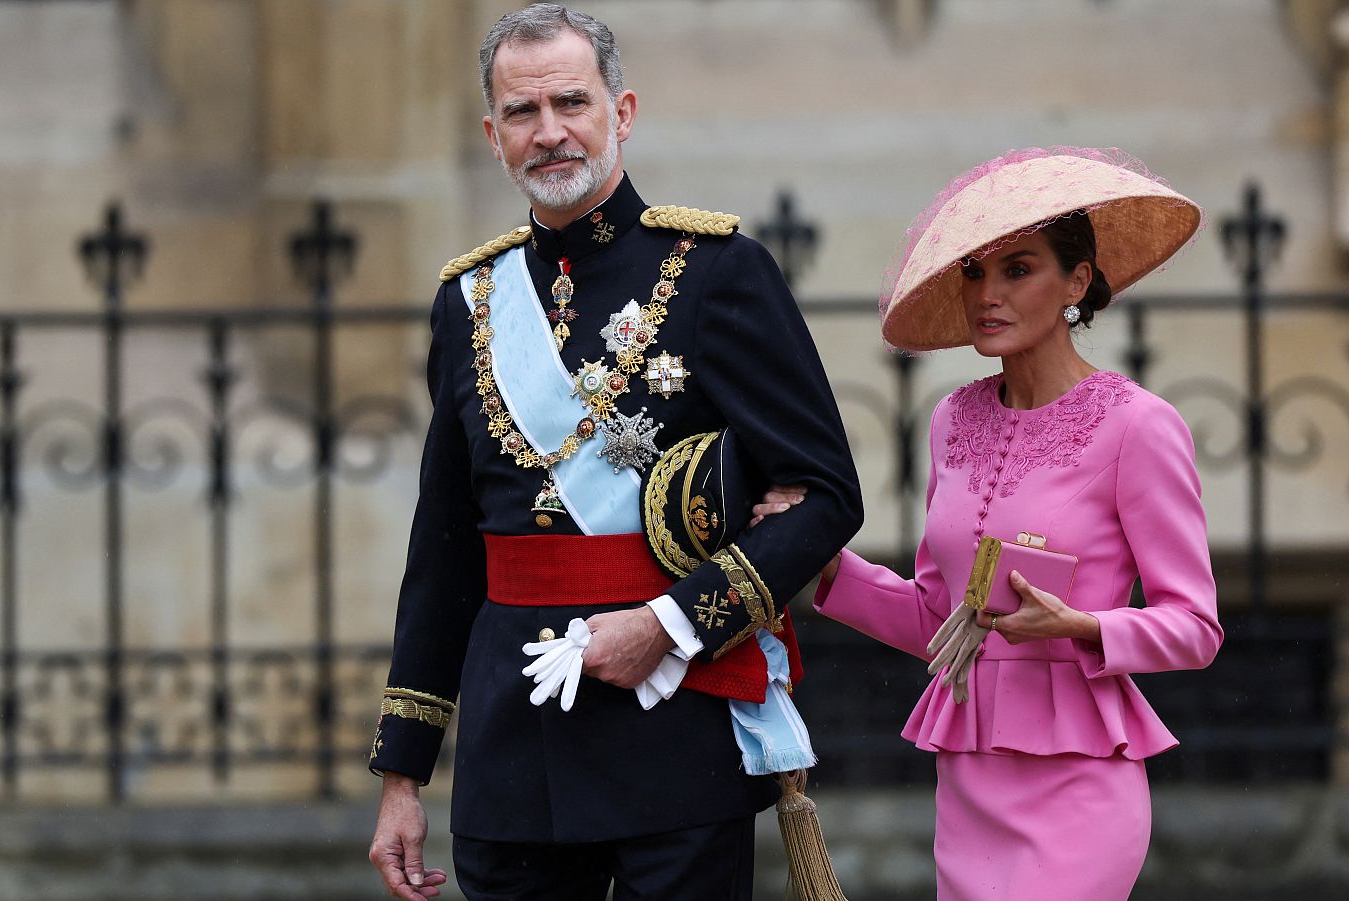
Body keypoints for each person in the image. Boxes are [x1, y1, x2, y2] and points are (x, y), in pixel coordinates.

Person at [365, 5, 862, 900]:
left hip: (671, 734)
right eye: (522, 113)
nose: (549, 133)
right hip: (511, 752)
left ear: (620, 111)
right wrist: (403, 775)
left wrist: (669, 626)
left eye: (571, 102)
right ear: (492, 134)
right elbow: (442, 551)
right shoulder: (470, 300)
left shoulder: (716, 271)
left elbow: (827, 495)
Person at [777, 148, 1223, 900]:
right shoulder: (952, 419)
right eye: (975, 272)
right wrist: (826, 565)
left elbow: (1196, 626)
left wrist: (1080, 624)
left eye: (1018, 269)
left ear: (1077, 282)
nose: (988, 293)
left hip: (1081, 789)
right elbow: (935, 618)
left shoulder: (1139, 426)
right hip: (970, 788)